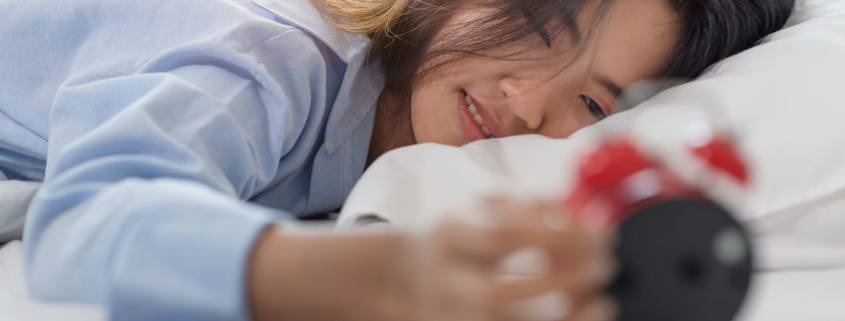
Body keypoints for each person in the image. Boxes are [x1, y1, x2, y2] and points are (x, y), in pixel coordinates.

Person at [0, 0, 793, 320]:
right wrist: (381, 273)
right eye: (534, 25)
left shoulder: (400, 145)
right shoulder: (270, 56)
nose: (524, 100)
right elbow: (82, 225)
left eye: (591, 103)